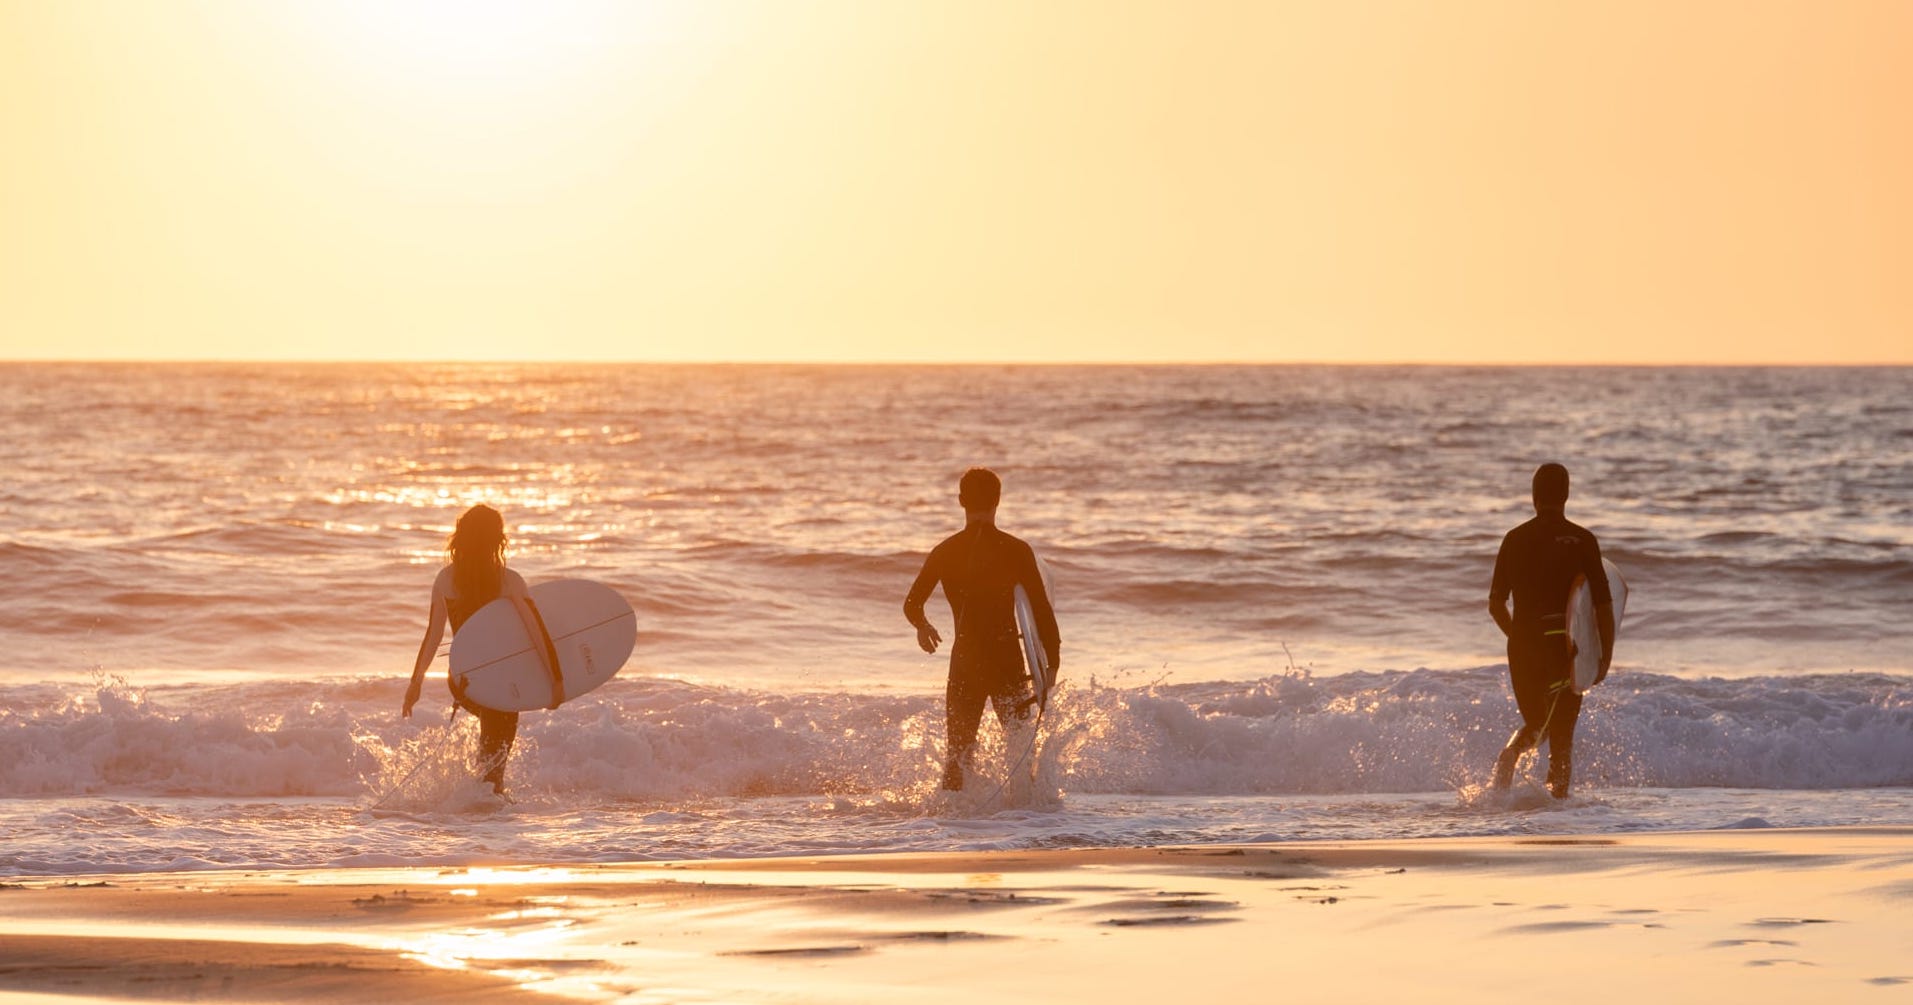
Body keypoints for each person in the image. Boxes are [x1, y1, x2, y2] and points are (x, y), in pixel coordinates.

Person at [904, 467, 1061, 791]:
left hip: (966, 660)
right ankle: (1030, 816)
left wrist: (923, 626)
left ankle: (953, 823)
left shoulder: (945, 550)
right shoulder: (1016, 549)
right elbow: (1042, 610)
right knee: (1021, 748)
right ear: (998, 500)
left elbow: (912, 603)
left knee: (957, 755)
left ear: (961, 501)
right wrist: (1051, 662)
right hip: (1008, 661)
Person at [1488, 462, 1615, 799]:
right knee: (1560, 737)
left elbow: (1495, 604)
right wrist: (1603, 655)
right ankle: (1556, 808)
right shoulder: (1583, 540)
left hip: (1523, 647)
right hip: (1563, 648)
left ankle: (1511, 755)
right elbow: (1603, 604)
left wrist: (1518, 638)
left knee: (1535, 724)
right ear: (1566, 495)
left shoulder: (1513, 539)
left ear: (1533, 496)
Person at [403, 504, 530, 794]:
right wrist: (555, 682)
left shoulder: (446, 579)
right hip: (502, 681)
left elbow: (433, 635)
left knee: (493, 724)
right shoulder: (510, 582)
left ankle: (478, 799)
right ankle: (487, 798)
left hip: (462, 680)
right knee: (500, 725)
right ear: (498, 539)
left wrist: (416, 683)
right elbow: (532, 637)